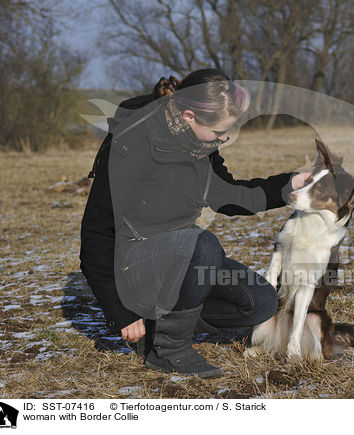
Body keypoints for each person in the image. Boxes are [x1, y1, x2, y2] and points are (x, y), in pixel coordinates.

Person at [80, 69, 310, 378]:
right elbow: (96, 234)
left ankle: (159, 319)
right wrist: (120, 311)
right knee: (203, 245)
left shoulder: (199, 145)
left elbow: (230, 195)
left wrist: (289, 184)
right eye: (218, 132)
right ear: (189, 115)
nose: (223, 139)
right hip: (133, 262)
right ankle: (168, 350)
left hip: (179, 255)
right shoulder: (131, 144)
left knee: (260, 301)